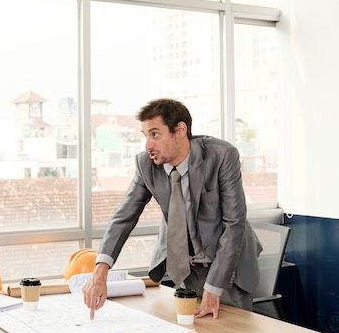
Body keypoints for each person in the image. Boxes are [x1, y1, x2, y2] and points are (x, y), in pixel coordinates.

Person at [83, 98, 262, 320]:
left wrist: (214, 287)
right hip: (188, 272)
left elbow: (234, 223)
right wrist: (100, 273)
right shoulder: (146, 164)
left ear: (180, 130)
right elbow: (123, 218)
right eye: (145, 135)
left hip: (229, 269)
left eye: (155, 134)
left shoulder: (222, 155)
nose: (148, 145)